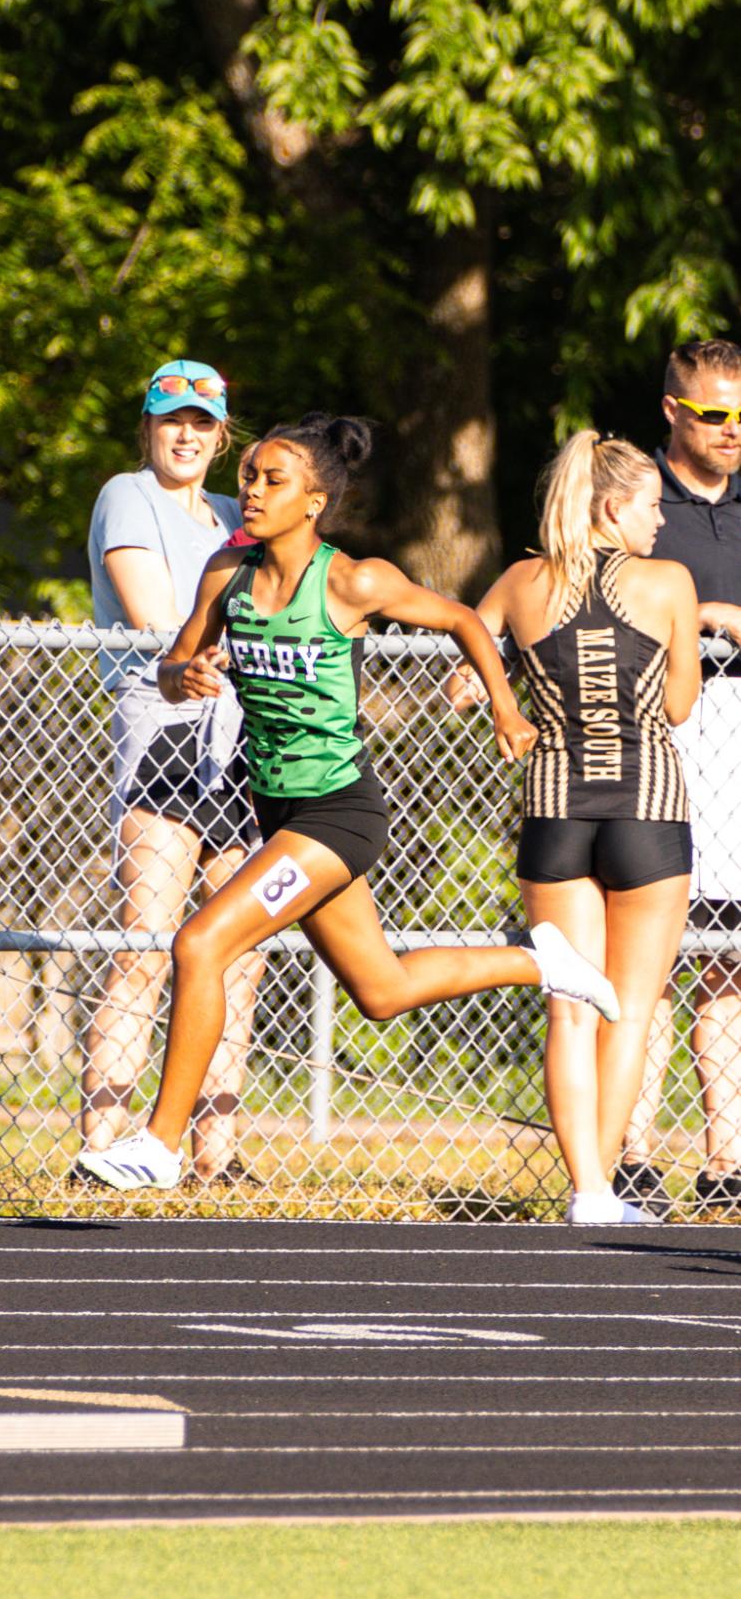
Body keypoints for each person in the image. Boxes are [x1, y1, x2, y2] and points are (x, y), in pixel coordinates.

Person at [74, 412, 622, 1198]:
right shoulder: (226, 577)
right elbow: (174, 662)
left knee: (198, 944)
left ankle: (160, 1143)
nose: (252, 491)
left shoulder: (353, 580)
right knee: (382, 991)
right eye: (250, 476)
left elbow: (466, 619)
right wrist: (180, 679)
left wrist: (505, 706)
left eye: (273, 480)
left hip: (340, 810)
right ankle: (545, 962)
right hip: (277, 811)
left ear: (314, 501)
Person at [457, 431, 699, 1224]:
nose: (660, 523)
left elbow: (465, 657)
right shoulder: (668, 583)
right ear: (611, 506)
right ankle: (598, 1198)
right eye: (652, 506)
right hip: (647, 809)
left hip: (556, 806)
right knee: (627, 1008)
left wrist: (499, 695)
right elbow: (677, 707)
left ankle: (588, 1187)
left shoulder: (523, 580)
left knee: (568, 1007)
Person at [80, 359, 264, 1183]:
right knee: (147, 944)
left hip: (242, 735)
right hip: (165, 726)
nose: (185, 434)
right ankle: (103, 1144)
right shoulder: (128, 494)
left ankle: (215, 1157)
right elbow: (162, 624)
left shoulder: (237, 516)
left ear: (222, 436)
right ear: (148, 427)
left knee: (236, 952)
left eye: (201, 422)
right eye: (170, 420)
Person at [616, 338, 741, 1212]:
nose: (732, 431)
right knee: (649, 952)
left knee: (731, 963)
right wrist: (692, 615)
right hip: (654, 735)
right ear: (672, 410)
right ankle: (628, 1151)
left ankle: (727, 1162)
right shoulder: (630, 497)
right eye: (715, 412)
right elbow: (584, 592)